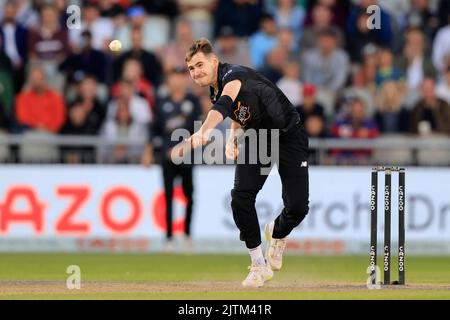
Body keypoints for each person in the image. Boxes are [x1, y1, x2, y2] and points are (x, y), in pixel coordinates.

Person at [183, 38, 309, 287]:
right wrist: (232, 137)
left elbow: (226, 101)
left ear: (214, 61)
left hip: (289, 136)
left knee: (297, 208)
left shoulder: (233, 74)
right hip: (258, 138)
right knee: (240, 197)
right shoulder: (215, 88)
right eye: (191, 69)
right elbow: (238, 112)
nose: (196, 72)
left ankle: (277, 232)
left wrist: (206, 130)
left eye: (200, 65)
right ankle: (258, 265)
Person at [141, 67, 202, 253]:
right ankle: (168, 237)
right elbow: (155, 130)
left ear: (186, 80)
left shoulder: (193, 102)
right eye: (173, 78)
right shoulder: (161, 102)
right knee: (167, 196)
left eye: (180, 78)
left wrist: (183, 148)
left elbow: (198, 130)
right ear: (168, 81)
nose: (177, 81)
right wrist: (149, 151)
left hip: (186, 156)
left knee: (189, 196)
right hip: (166, 158)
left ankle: (187, 235)